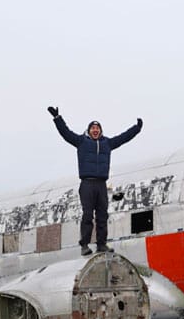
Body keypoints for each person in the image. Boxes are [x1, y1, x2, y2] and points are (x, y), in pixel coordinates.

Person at [48, 106, 142, 255]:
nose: (95, 130)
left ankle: (101, 244)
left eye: (97, 128)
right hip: (87, 183)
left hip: (101, 184)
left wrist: (136, 129)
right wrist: (57, 118)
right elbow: (66, 133)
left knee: (102, 215)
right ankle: (84, 245)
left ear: (101, 131)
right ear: (88, 131)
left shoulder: (107, 144)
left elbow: (123, 138)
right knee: (87, 215)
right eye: (92, 128)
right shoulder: (81, 142)